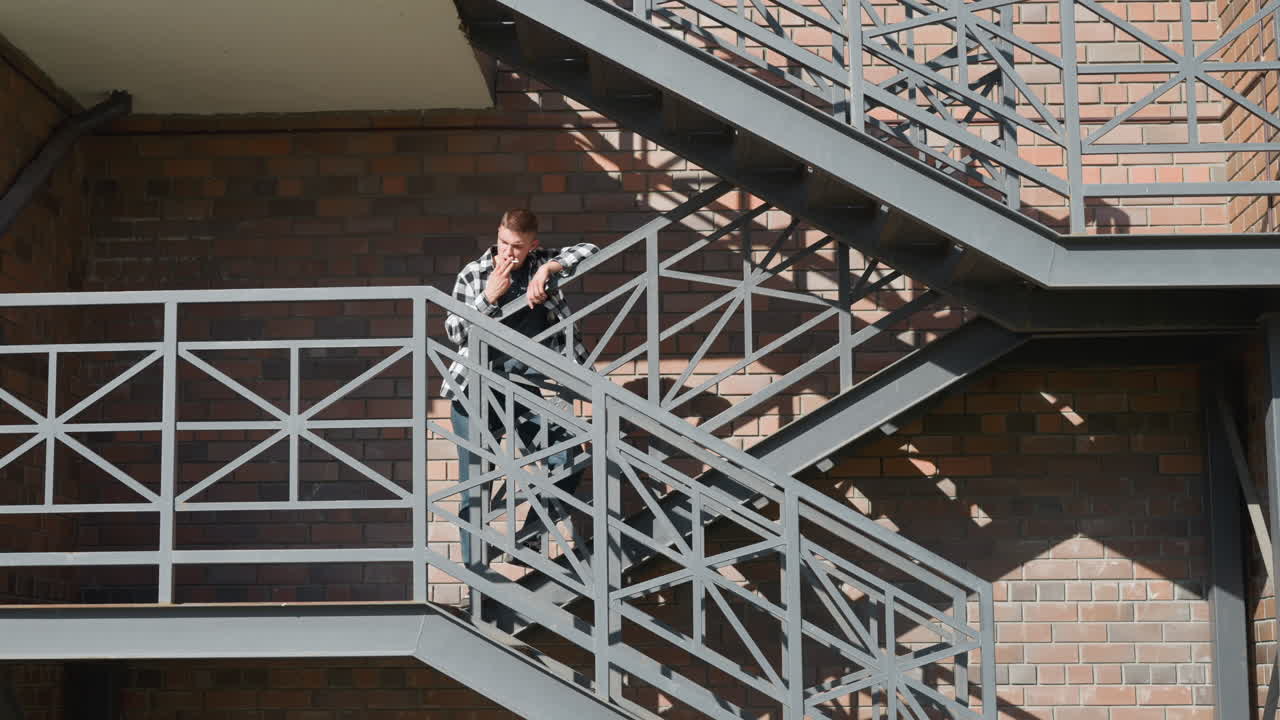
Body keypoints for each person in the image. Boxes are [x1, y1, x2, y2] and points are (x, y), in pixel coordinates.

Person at [443, 208, 599, 565]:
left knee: (567, 457)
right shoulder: (475, 273)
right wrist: (488, 298)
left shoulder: (539, 264)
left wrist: (548, 270)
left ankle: (529, 537)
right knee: (474, 488)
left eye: (516, 246)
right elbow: (454, 331)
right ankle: (477, 580)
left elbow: (590, 250)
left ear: (533, 246)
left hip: (521, 387)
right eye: (502, 243)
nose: (507, 253)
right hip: (474, 390)